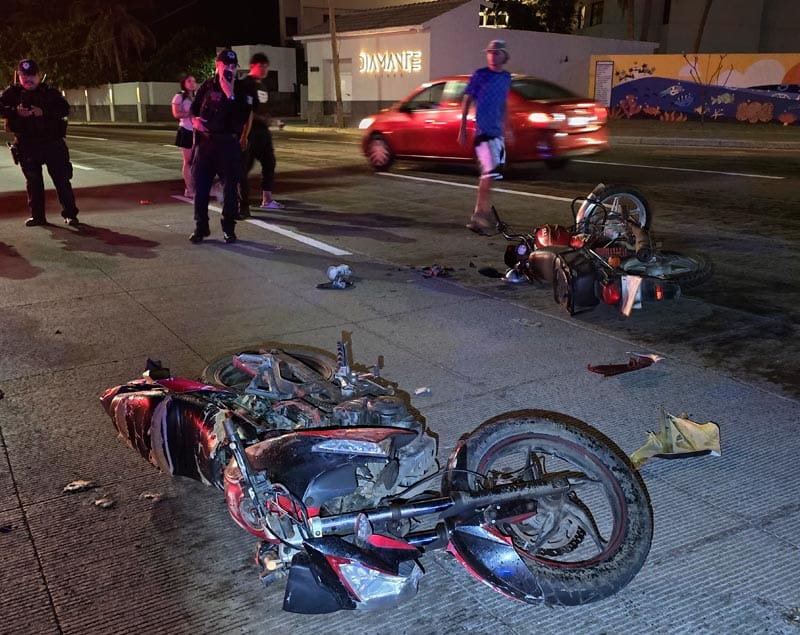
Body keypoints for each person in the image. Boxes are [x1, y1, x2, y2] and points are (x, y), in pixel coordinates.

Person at [0, 58, 80, 227]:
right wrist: (15, 111)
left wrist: (43, 111)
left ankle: (70, 215)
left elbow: (64, 109)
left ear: (38, 75)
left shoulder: (49, 92)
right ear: (18, 76)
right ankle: (38, 217)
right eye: (23, 76)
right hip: (26, 144)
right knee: (33, 183)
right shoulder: (12, 93)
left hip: (52, 143)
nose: (27, 79)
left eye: (31, 75)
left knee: (62, 180)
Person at [188, 48, 251, 244]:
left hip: (227, 144)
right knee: (201, 188)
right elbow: (193, 109)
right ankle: (201, 227)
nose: (230, 69)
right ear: (217, 65)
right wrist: (195, 122)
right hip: (206, 144)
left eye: (234, 66)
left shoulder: (240, 89)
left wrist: (230, 93)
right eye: (226, 65)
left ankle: (229, 228)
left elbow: (242, 117)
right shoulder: (207, 85)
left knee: (230, 189)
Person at [457, 40, 512, 236]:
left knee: (491, 174)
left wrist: (508, 128)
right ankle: (479, 213)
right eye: (489, 52)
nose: (492, 55)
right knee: (488, 173)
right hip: (482, 132)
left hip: (497, 134)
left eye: (496, 52)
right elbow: (467, 99)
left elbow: (503, 104)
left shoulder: (506, 78)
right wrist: (463, 127)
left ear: (504, 56)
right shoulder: (480, 75)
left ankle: (482, 211)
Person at [238, 52, 284, 219]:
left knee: (269, 162)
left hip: (263, 132)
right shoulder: (245, 84)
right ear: (252, 66)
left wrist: (273, 121)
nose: (264, 69)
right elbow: (246, 110)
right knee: (245, 167)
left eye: (266, 66)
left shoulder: (263, 86)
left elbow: (263, 110)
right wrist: (264, 120)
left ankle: (267, 199)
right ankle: (236, 198)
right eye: (261, 66)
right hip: (249, 132)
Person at [172, 74, 197, 199]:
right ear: (184, 83)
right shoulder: (179, 96)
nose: (192, 83)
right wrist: (190, 113)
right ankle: (189, 189)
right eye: (189, 81)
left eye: (194, 81)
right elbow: (176, 114)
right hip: (186, 130)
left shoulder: (197, 96)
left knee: (197, 161)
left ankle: (195, 186)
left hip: (197, 131)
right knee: (188, 161)